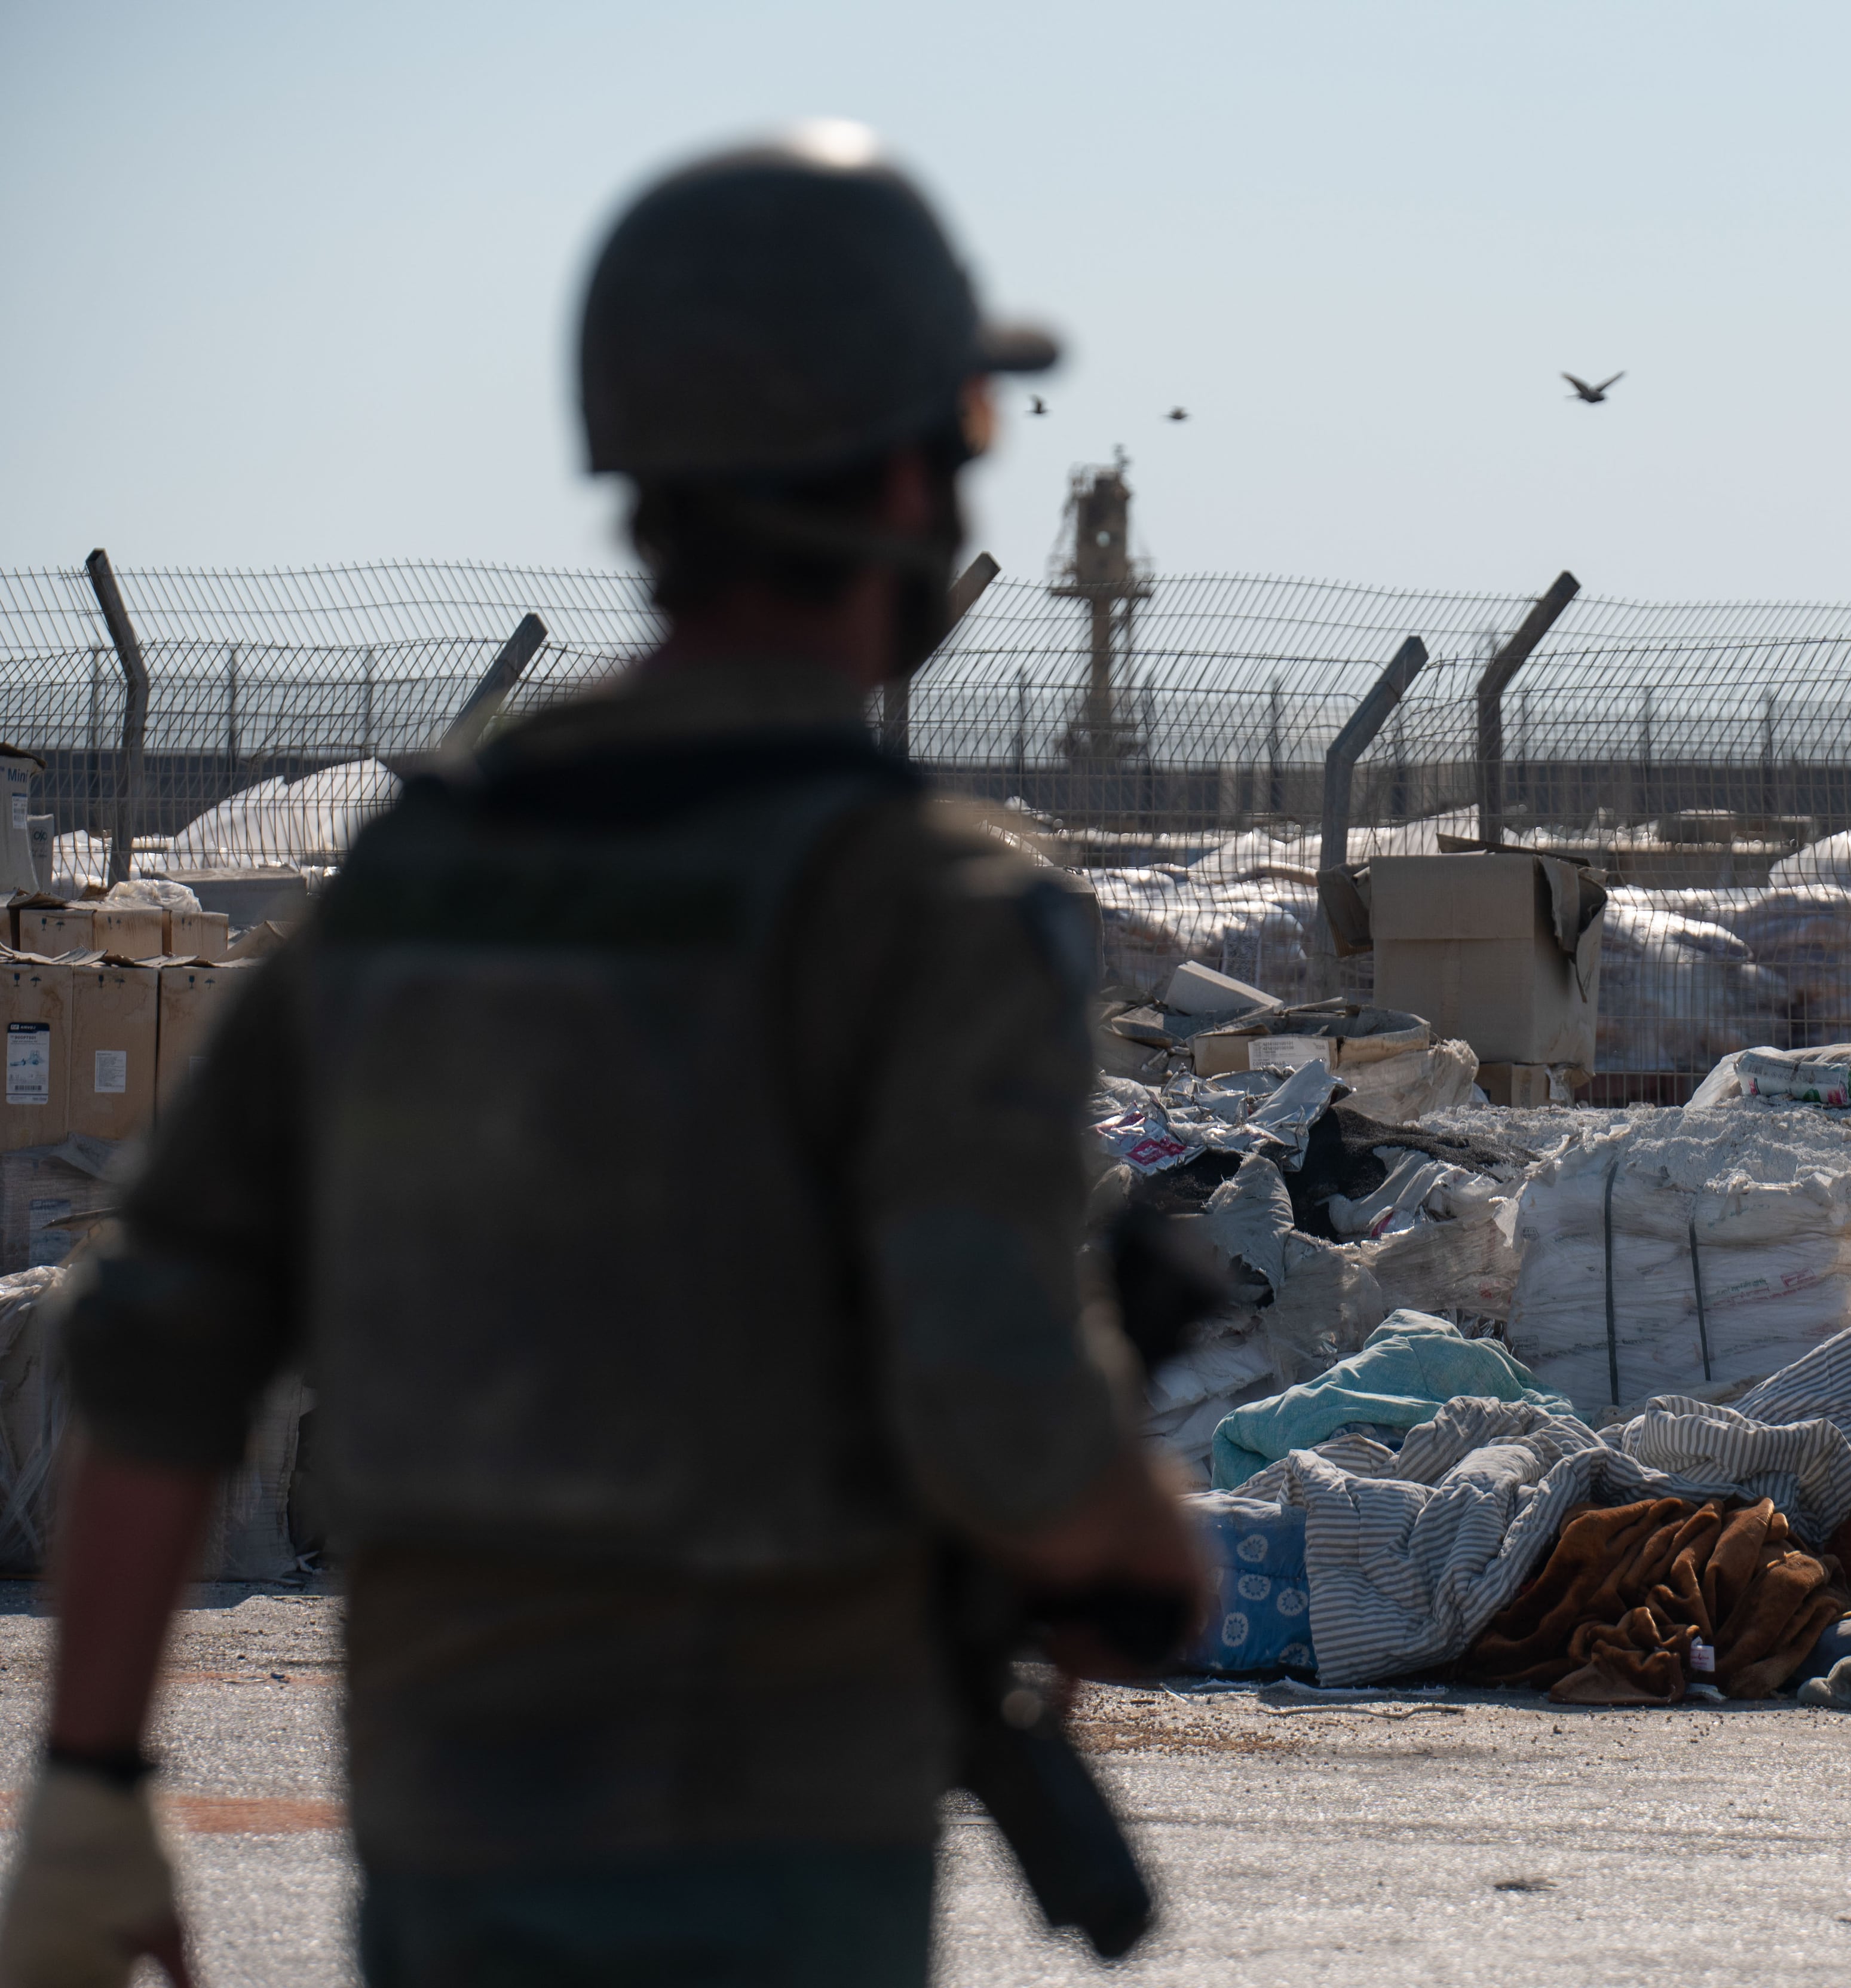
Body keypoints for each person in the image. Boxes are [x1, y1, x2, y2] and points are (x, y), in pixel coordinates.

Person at [0, 123, 1202, 1988]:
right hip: (777, 1866)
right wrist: (1134, 1537)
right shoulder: (931, 913)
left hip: (449, 1841)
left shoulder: (418, 887)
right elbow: (991, 1389)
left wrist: (86, 1785)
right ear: (902, 470)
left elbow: (155, 1343)